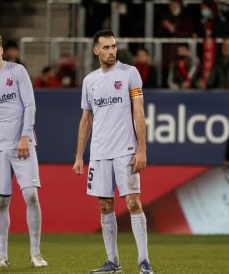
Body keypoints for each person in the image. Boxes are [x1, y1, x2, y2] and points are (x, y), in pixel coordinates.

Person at [73, 29, 153, 274]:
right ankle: (113, 262)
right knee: (105, 206)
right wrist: (79, 156)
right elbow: (86, 119)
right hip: (99, 153)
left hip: (125, 150)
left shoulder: (130, 73)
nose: (111, 51)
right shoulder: (90, 81)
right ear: (96, 50)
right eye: (106, 47)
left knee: (132, 202)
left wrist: (141, 150)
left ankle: (143, 261)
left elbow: (138, 112)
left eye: (114, 46)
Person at [0, 30, 48, 269]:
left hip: (22, 144)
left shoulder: (17, 72)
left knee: (31, 195)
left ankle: (35, 253)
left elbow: (30, 105)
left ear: (2, 49)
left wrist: (25, 135)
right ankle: (1, 257)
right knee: (0, 202)